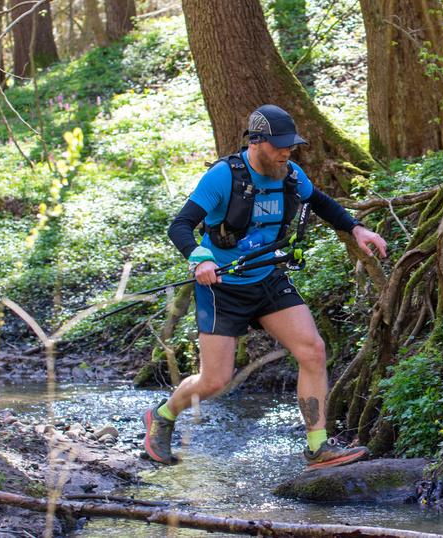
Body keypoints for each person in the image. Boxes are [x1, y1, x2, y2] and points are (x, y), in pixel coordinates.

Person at [143, 105, 387, 470]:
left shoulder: (289, 173)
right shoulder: (223, 177)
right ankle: (162, 415)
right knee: (215, 380)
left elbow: (320, 202)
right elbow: (180, 225)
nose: (287, 152)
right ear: (256, 142)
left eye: (290, 146)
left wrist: (356, 229)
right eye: (279, 146)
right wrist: (200, 257)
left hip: (267, 278)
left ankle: (317, 446)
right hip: (222, 287)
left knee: (313, 351)